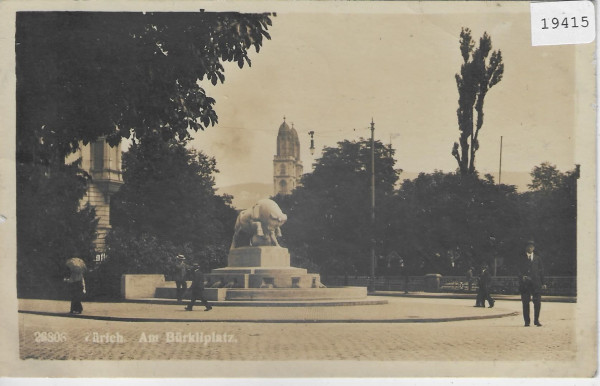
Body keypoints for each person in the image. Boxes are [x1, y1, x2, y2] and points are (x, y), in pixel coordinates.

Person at [517, 240, 546, 327]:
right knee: (525, 303)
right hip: (525, 284)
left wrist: (543, 283)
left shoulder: (537, 258)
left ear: (534, 248)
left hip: (536, 284)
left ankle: (536, 320)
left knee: (537, 303)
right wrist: (522, 276)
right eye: (528, 246)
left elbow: (541, 271)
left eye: (532, 246)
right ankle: (527, 322)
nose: (530, 248)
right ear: (526, 248)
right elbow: (517, 270)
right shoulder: (521, 258)